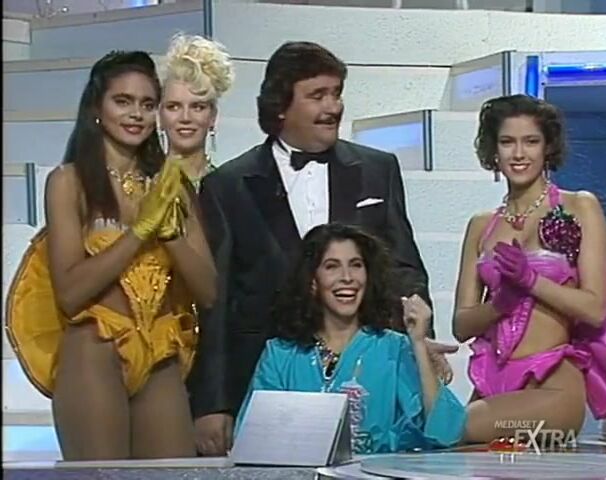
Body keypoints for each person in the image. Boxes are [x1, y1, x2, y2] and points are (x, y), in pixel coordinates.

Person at [190, 40, 457, 456]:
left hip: (366, 374)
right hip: (270, 379)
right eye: (318, 96)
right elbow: (217, 301)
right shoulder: (228, 186)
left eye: (336, 94)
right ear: (281, 106)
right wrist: (213, 403)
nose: (333, 107)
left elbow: (404, 268)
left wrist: (420, 347)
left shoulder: (377, 169)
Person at [5, 50, 217, 460]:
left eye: (147, 104)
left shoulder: (171, 185)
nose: (136, 113)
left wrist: (170, 234)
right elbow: (71, 293)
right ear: (96, 109)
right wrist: (139, 232)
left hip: (160, 352)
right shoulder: (69, 182)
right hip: (94, 348)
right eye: (123, 101)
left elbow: (208, 292)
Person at [452, 94, 606, 443]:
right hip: (492, 385)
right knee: (454, 448)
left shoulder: (580, 207)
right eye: (507, 142)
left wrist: (530, 281)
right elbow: (461, 325)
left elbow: (595, 308)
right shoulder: (481, 226)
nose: (519, 153)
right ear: (493, 150)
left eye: (530, 141)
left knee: (455, 427)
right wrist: (500, 304)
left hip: (552, 387)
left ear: (548, 147)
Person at [237, 223, 466, 453]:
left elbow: (447, 432)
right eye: (332, 266)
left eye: (356, 265)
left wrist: (418, 342)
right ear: (312, 281)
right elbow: (252, 441)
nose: (347, 277)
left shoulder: (394, 349)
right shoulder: (280, 355)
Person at [158, 33, 234, 192]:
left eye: (197, 107)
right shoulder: (143, 187)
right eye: (174, 107)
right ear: (160, 115)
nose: (185, 117)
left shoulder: (229, 191)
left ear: (212, 116)